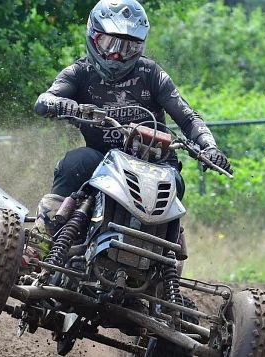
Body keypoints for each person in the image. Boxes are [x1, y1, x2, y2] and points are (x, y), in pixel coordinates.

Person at [32, 0, 232, 239]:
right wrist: (63, 104)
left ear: (141, 46)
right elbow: (44, 100)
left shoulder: (152, 74)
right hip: (101, 163)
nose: (117, 54)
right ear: (93, 36)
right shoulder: (79, 72)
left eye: (129, 47)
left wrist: (210, 148)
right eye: (110, 43)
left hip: (156, 163)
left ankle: (165, 254)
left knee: (174, 183)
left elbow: (188, 118)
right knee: (76, 162)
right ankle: (43, 240)